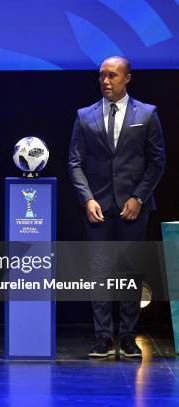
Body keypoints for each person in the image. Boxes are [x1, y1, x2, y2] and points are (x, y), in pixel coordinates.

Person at [68, 57, 165, 358]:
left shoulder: (147, 114)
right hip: (98, 206)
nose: (105, 81)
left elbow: (157, 161)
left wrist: (139, 197)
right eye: (101, 76)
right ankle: (103, 338)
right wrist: (87, 198)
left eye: (112, 76)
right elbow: (74, 161)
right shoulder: (84, 116)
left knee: (129, 272)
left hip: (133, 207)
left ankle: (127, 336)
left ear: (127, 79)